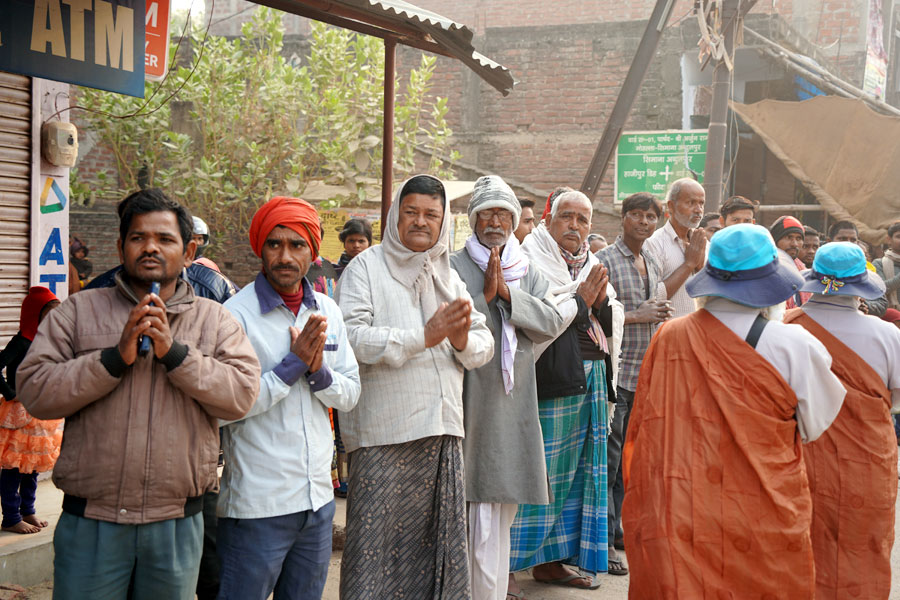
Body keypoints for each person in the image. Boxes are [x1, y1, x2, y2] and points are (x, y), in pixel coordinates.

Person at [16, 188, 260, 600]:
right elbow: (34, 389)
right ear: (121, 246)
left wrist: (176, 354)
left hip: (175, 527)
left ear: (188, 251)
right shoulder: (78, 311)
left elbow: (240, 395)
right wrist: (112, 359)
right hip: (91, 523)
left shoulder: (214, 319)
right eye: (138, 237)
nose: (151, 247)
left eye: (165, 239)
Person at [622, 224, 846, 599]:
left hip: (683, 509)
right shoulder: (794, 344)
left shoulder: (669, 335)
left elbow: (649, 427)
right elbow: (816, 425)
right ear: (769, 283)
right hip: (763, 507)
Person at [337, 174, 493, 599]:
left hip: (441, 433)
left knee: (435, 553)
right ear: (395, 216)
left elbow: (483, 344)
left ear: (443, 222)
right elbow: (349, 337)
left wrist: (460, 340)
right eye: (411, 213)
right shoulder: (365, 267)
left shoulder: (448, 275)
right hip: (383, 437)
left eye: (431, 215)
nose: (421, 222)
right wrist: (421, 338)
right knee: (375, 556)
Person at [218, 197, 361, 600]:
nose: (285, 256)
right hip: (257, 506)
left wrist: (317, 374)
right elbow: (223, 408)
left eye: (296, 245)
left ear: (312, 252)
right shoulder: (235, 317)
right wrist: (288, 371)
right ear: (260, 249)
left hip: (317, 505)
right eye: (275, 244)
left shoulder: (328, 312)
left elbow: (350, 394)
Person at [448, 176, 564, 600]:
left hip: (512, 404)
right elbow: (452, 323)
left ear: (515, 221)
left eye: (503, 214)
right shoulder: (453, 267)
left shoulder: (525, 271)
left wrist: (508, 295)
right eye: (487, 213)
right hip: (469, 399)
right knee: (473, 515)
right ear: (473, 219)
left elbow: (551, 322)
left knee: (500, 517)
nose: (495, 222)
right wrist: (486, 297)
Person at [509, 190, 624, 593]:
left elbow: (607, 313)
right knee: (539, 472)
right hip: (551, 378)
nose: (575, 226)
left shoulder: (591, 261)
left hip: (591, 378)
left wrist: (597, 303)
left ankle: (552, 562)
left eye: (583, 220)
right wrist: (580, 299)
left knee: (579, 474)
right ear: (549, 220)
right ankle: (505, 566)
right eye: (567, 217)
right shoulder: (528, 258)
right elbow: (534, 316)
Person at [783, 242, 900, 599]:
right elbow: (895, 402)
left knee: (802, 547)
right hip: (868, 465)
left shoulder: (785, 331)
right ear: (862, 284)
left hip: (801, 462)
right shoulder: (889, 336)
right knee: (863, 549)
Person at [595, 192, 672, 576]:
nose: (644, 222)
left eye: (650, 217)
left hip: (646, 372)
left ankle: (618, 528)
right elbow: (593, 314)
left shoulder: (653, 258)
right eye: (637, 215)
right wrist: (638, 316)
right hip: (617, 373)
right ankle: (604, 543)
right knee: (609, 461)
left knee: (631, 461)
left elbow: (657, 301)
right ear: (623, 218)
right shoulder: (605, 259)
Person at [0, 288, 62, 534]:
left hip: (39, 411)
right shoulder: (22, 341)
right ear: (35, 315)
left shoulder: (46, 341)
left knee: (32, 468)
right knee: (14, 468)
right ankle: (11, 517)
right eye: (49, 315)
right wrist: (9, 392)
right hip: (19, 413)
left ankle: (28, 510)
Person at [643, 178, 708, 318]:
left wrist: (702, 268)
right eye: (691, 203)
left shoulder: (706, 244)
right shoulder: (653, 244)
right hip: (670, 334)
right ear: (671, 206)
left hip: (702, 334)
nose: (698, 210)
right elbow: (653, 297)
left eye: (701, 203)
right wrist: (689, 265)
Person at [770, 215, 810, 308]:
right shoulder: (766, 270)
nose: (794, 244)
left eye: (798, 238)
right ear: (775, 240)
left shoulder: (803, 270)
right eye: (789, 237)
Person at [875, 220, 900, 313]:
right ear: (889, 240)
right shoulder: (879, 264)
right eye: (899, 236)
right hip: (891, 317)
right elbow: (881, 289)